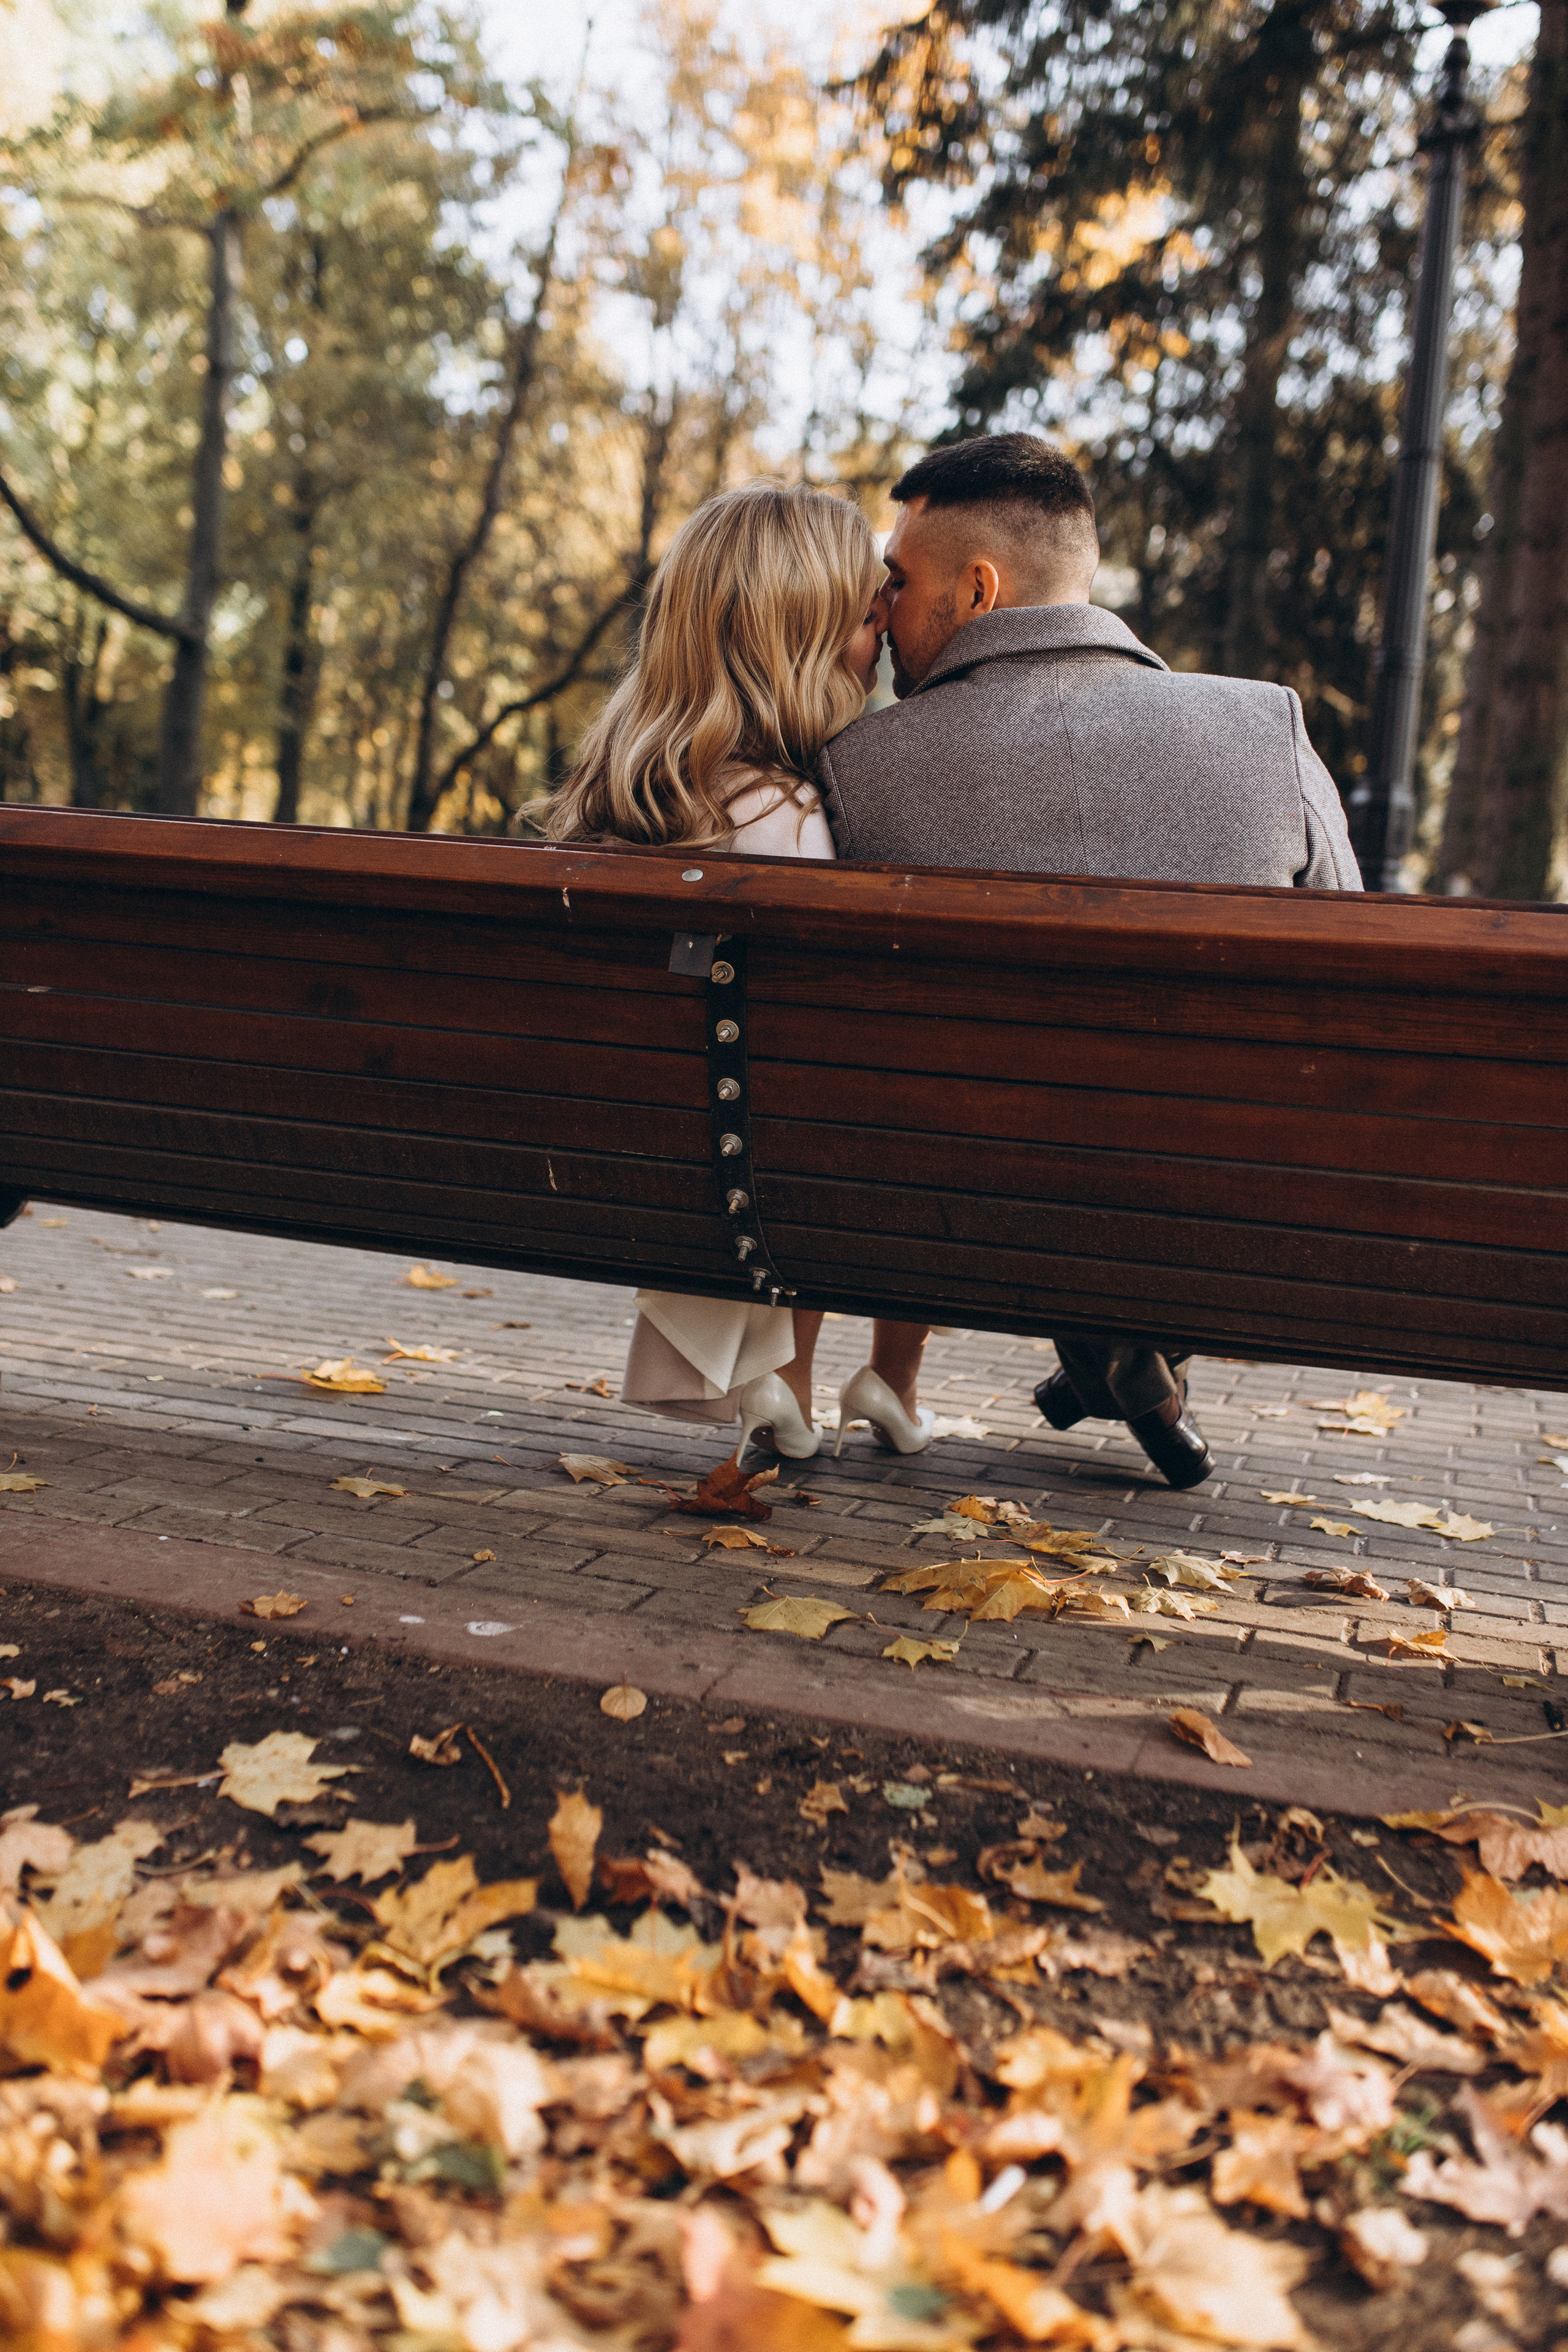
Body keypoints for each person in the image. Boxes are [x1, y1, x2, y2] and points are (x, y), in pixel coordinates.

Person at [816, 433, 1362, 1491]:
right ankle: (1123, 1346)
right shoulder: (1265, 727)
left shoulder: (858, 769)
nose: (882, 614)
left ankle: (1107, 1347)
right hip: (1229, 1210)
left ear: (979, 589)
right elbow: (1347, 983)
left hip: (963, 1210)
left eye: (899, 580)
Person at [546, 480, 935, 1466]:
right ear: (795, 644)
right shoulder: (792, 819)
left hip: (636, 1144)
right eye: (862, 615)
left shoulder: (622, 793)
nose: (881, 634)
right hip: (741, 1168)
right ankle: (829, 1379)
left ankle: (798, 1387)